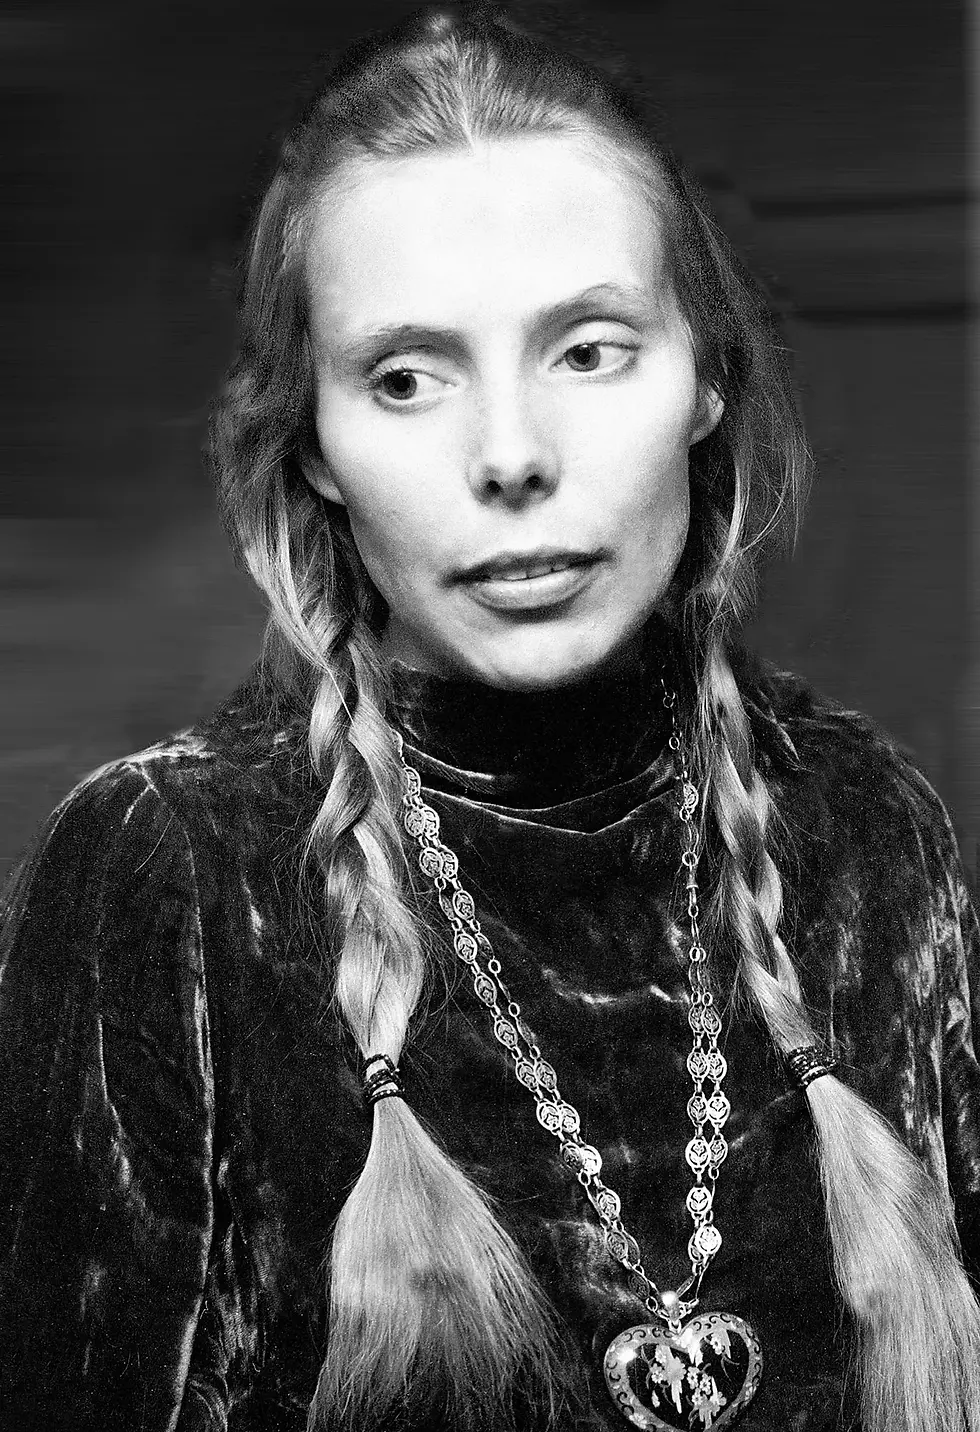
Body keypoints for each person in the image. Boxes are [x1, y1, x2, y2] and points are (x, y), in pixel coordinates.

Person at [1, 5, 978, 1430]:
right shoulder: (168, 869)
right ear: (317, 448)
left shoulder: (869, 825)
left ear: (705, 379)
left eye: (587, 350)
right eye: (405, 378)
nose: (510, 455)